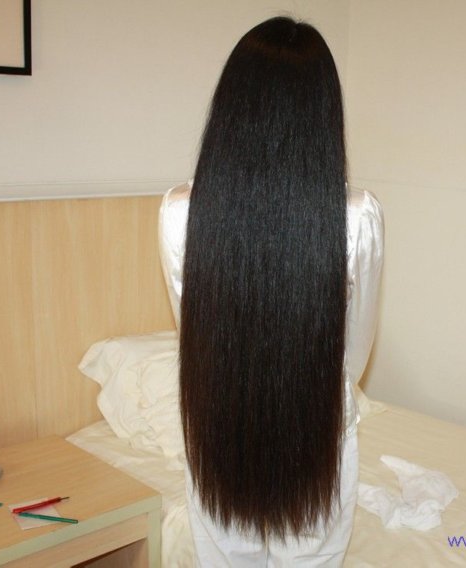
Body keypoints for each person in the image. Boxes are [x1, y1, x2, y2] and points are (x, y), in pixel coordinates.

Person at [159, 16, 383, 567]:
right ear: (323, 115)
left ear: (231, 109)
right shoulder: (358, 217)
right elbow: (354, 351)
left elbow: (195, 326)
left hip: (219, 420)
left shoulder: (180, 212)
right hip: (318, 426)